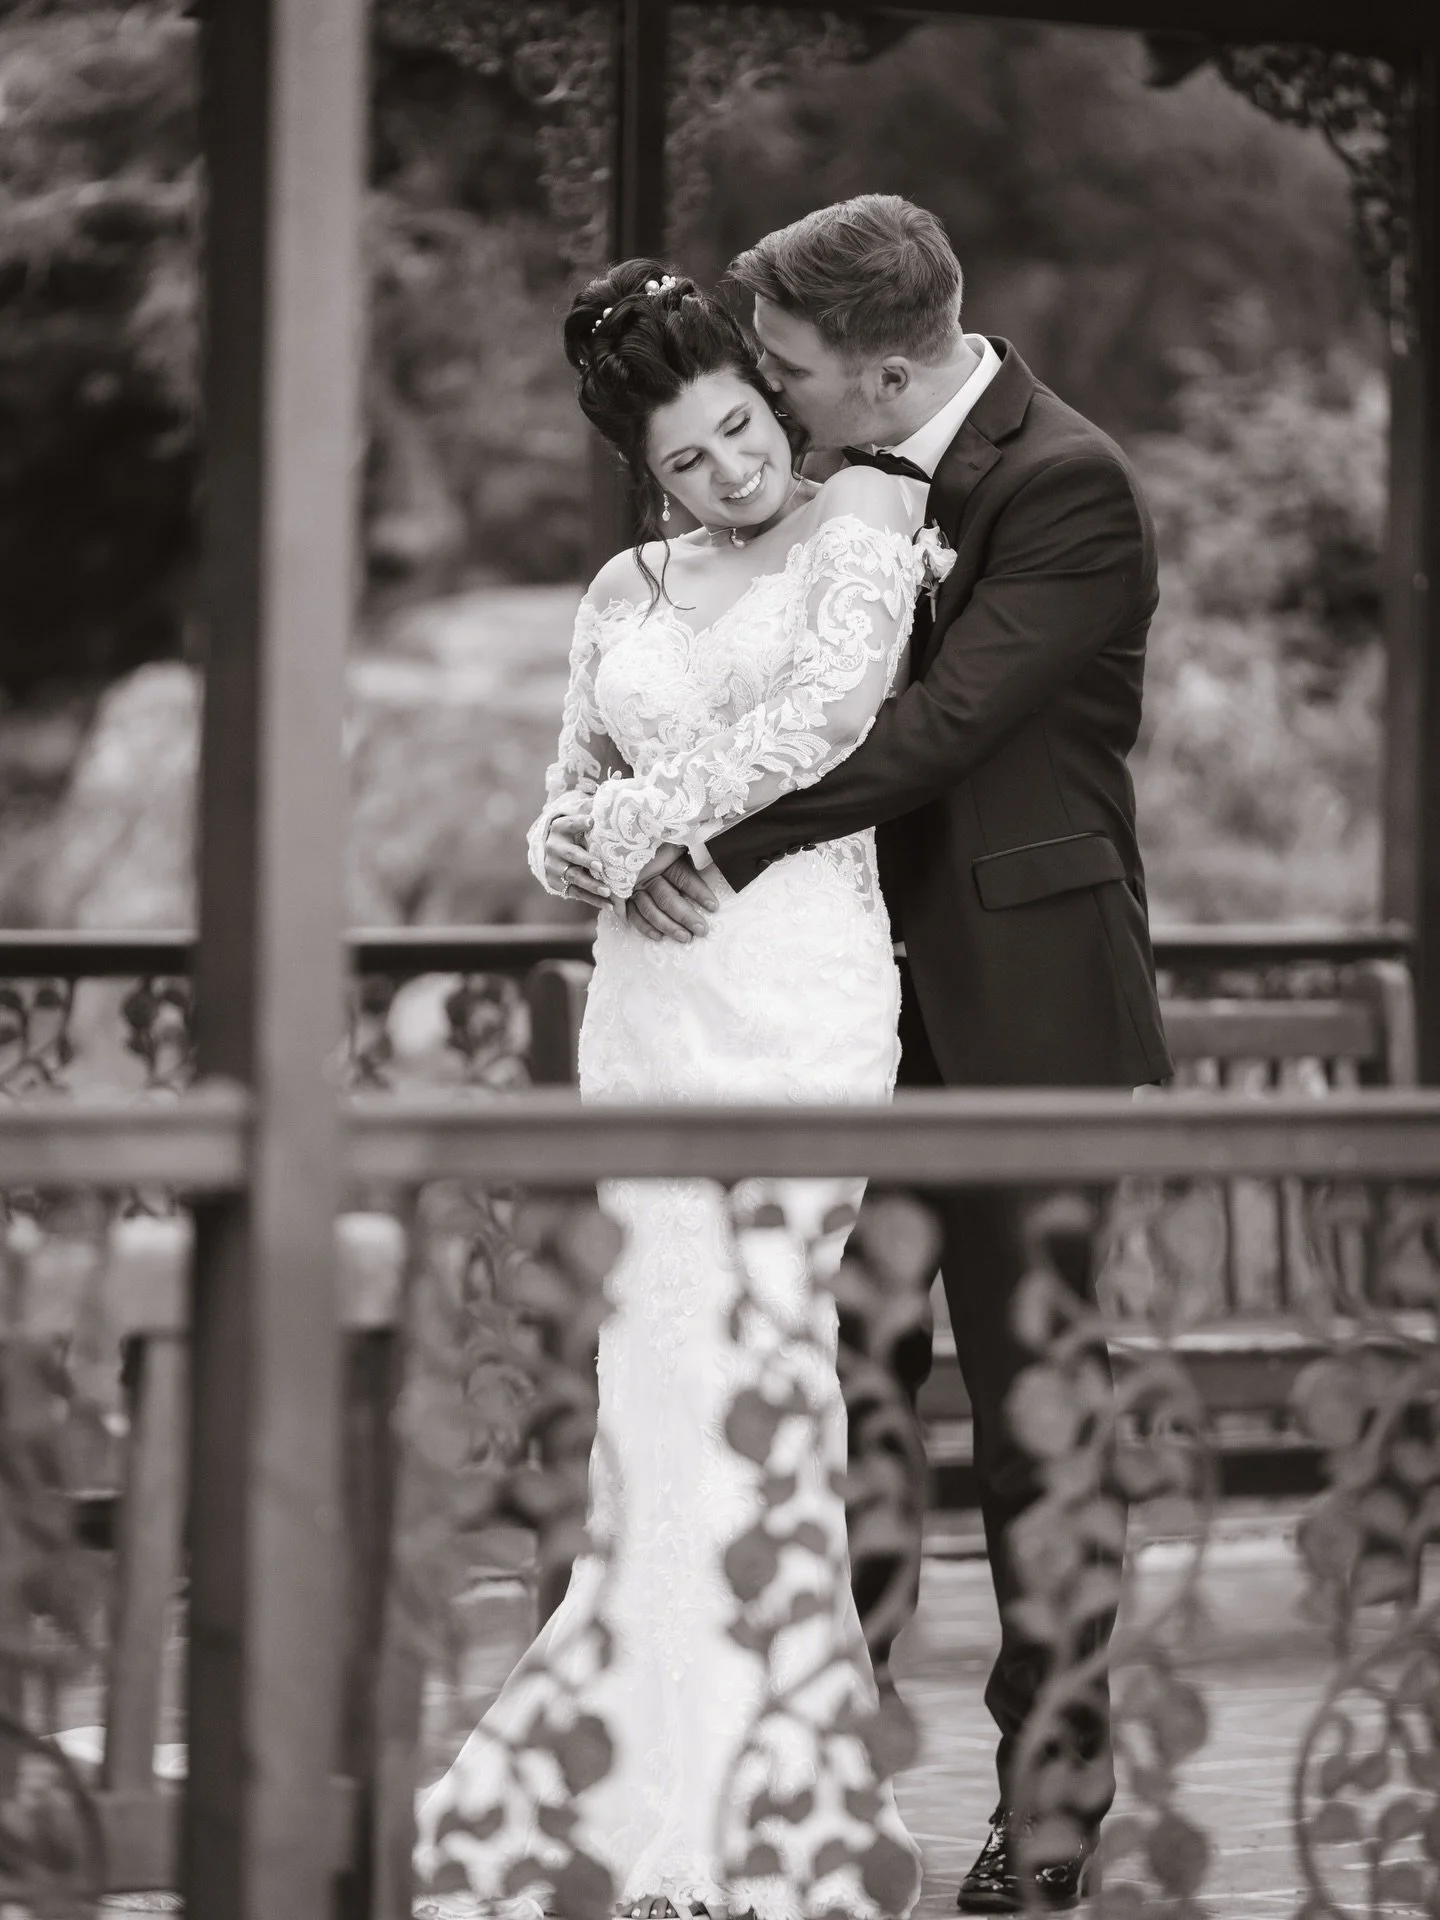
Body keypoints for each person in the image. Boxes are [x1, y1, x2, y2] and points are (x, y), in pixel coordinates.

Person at [623, 196, 1173, 1915]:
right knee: (838, 1402)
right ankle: (810, 1788)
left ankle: (1055, 1812)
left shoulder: (1067, 484)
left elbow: (935, 733)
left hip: (1026, 1020)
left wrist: (722, 829)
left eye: (785, 372)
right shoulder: (811, 480)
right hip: (843, 1017)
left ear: (887, 368)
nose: (764, 403)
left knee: (1036, 1420)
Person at [413, 258, 954, 1920]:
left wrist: (658, 825)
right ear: (641, 476)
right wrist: (585, 844)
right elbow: (568, 784)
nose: (731, 477)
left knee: (763, 1381)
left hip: (792, 992)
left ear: (768, 391)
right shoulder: (620, 589)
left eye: (738, 432)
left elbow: (826, 720)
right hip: (646, 1007)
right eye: (687, 465)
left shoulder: (864, 521)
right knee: (651, 1392)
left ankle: (761, 1809)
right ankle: (630, 1779)